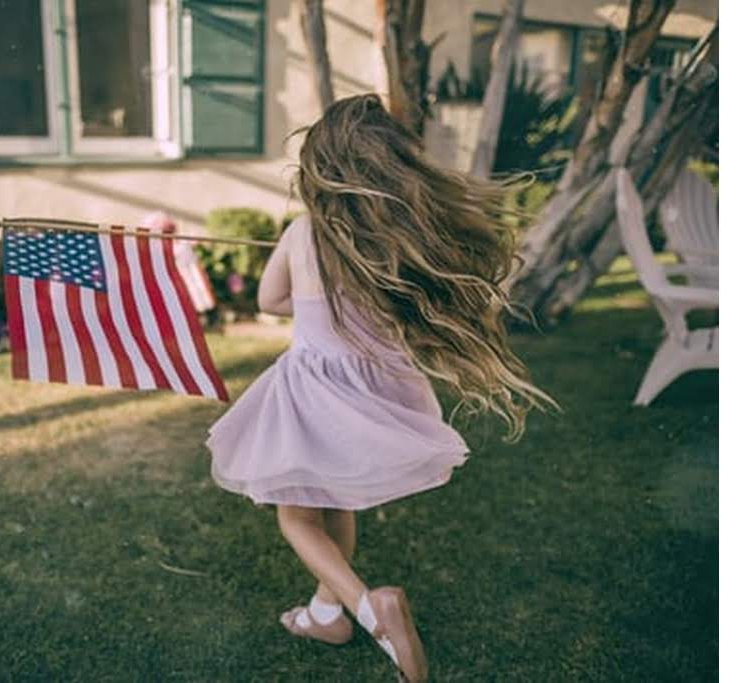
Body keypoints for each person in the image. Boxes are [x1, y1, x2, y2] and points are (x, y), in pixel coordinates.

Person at [205, 94, 555, 681]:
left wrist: (306, 291)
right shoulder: (394, 237)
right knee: (337, 500)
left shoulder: (302, 232)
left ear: (323, 168)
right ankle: (325, 612)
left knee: (297, 518)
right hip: (378, 392)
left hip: (317, 388)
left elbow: (268, 301)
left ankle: (370, 608)